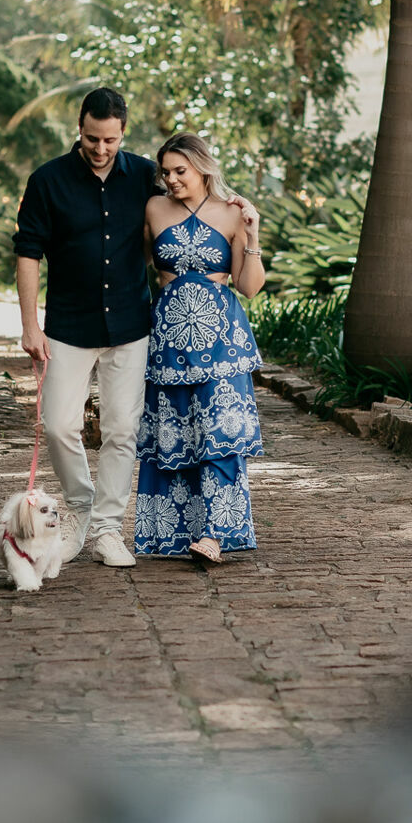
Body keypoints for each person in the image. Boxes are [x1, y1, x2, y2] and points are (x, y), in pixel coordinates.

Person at [13, 88, 161, 568]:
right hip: (69, 325)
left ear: (124, 131)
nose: (100, 149)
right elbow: (28, 252)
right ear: (80, 127)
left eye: (110, 140)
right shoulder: (47, 180)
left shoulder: (144, 175)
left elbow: (188, 205)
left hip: (131, 323)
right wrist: (29, 324)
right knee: (58, 425)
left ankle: (107, 528)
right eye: (93, 138)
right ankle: (79, 507)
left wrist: (236, 208)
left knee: (122, 429)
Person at [133, 132, 266, 563]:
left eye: (180, 171)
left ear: (202, 167)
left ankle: (215, 534)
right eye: (166, 172)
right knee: (174, 432)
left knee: (220, 433)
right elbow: (139, 269)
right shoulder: (154, 208)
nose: (171, 179)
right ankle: (170, 532)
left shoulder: (231, 213)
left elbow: (248, 287)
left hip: (222, 340)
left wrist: (253, 233)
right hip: (168, 339)